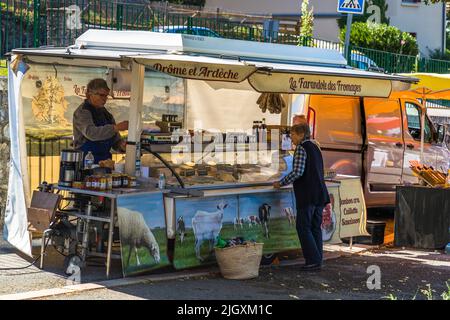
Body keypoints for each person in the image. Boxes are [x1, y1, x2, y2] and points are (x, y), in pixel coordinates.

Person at [273, 122, 330, 271]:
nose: (291, 138)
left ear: (300, 134)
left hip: (308, 194)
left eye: (292, 134)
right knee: (315, 227)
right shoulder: (315, 147)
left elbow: (298, 172)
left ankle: (312, 260)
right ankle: (317, 259)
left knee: (303, 227)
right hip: (320, 193)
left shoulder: (301, 148)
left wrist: (281, 182)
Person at [73, 78, 129, 164]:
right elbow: (91, 133)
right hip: (85, 162)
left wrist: (121, 145)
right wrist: (115, 128)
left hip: (105, 163)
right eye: (101, 95)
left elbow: (115, 140)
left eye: (106, 95)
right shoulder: (82, 112)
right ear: (89, 95)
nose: (105, 99)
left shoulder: (106, 114)